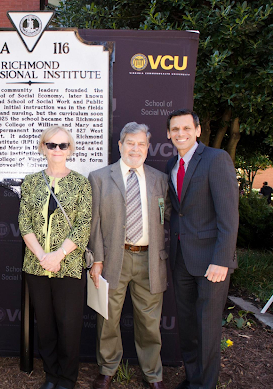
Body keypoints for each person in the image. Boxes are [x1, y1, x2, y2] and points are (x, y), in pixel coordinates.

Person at [88, 122, 170, 389]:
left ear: (148, 147)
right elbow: (94, 224)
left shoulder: (160, 179)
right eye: (130, 143)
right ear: (120, 145)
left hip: (150, 261)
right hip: (114, 258)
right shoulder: (100, 177)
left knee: (150, 322)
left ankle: (153, 374)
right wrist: (97, 260)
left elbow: (168, 216)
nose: (136, 149)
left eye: (141, 144)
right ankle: (107, 368)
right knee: (107, 319)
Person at [166, 109, 239, 389]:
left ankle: (205, 385)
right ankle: (193, 378)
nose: (180, 134)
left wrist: (222, 260)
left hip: (212, 261)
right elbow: (179, 212)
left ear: (197, 130)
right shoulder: (172, 164)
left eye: (186, 128)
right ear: (169, 134)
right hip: (182, 258)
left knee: (207, 329)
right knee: (187, 327)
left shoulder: (216, 159)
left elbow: (229, 217)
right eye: (175, 129)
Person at [18, 125, 92, 389]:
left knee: (69, 326)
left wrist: (58, 255)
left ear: (70, 149)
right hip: (37, 267)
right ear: (43, 148)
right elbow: (24, 223)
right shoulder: (31, 181)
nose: (57, 150)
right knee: (46, 326)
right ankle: (51, 375)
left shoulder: (81, 183)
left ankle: (67, 378)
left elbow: (83, 226)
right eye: (51, 145)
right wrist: (42, 256)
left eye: (63, 145)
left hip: (69, 266)